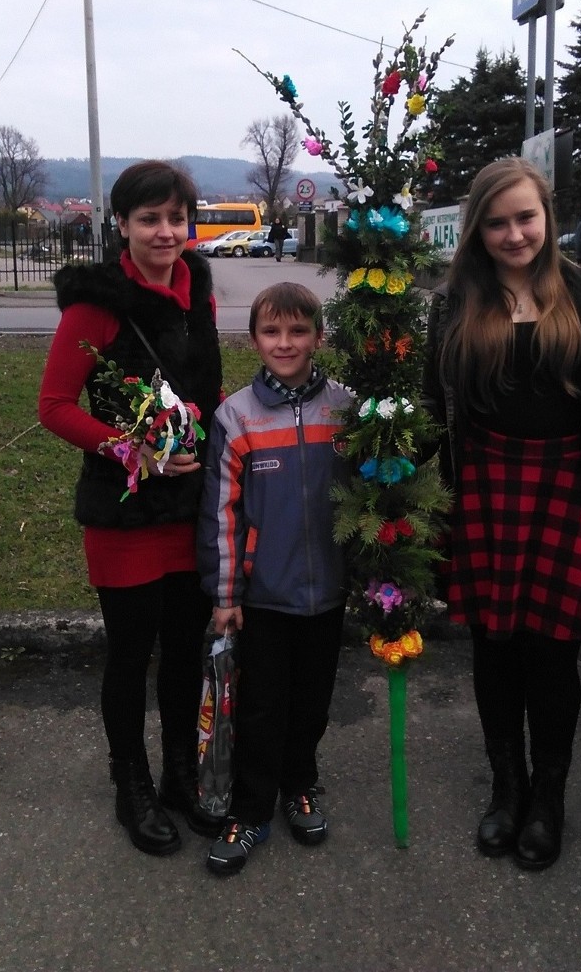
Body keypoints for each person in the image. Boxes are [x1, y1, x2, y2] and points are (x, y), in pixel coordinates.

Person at [422, 157, 581, 871]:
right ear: (478, 231)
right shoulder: (453, 302)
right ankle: (507, 788)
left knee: (554, 655)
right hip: (486, 490)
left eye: (525, 217)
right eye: (497, 222)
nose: (514, 233)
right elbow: (435, 411)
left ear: (548, 217)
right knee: (494, 648)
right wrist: (409, 500)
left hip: (566, 491)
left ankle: (548, 800)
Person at [38, 160, 224, 857]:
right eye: (149, 219)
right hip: (125, 511)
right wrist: (129, 450)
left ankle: (179, 773)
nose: (166, 232)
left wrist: (199, 427)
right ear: (121, 225)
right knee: (131, 653)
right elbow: (53, 407)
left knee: (184, 648)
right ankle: (131, 784)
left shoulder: (197, 285)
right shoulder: (96, 301)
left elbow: (201, 379)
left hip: (189, 504)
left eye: (177, 218)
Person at [197, 282, 353, 875]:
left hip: (328, 594)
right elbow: (223, 515)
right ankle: (251, 808)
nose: (284, 343)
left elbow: (369, 491)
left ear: (318, 335)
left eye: (298, 331)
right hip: (263, 598)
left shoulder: (345, 407)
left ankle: (301, 785)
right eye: (271, 331)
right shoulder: (236, 417)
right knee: (261, 708)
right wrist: (227, 594)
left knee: (312, 704)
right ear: (255, 338)